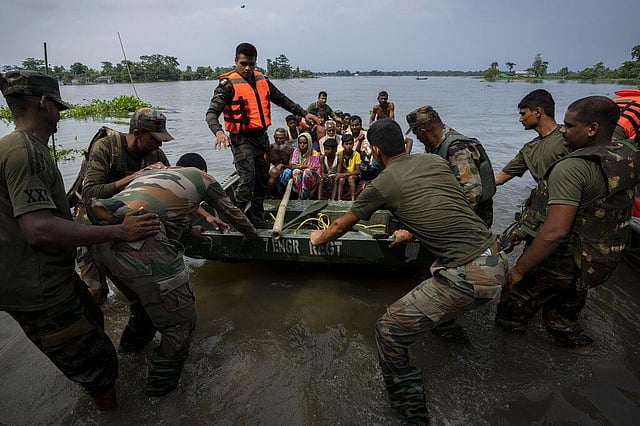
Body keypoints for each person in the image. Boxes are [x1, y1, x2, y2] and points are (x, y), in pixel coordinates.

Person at [309, 119, 507, 423]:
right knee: (436, 291)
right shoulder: (434, 161)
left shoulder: (382, 183)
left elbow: (339, 226)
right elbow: (444, 204)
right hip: (495, 256)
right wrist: (411, 232)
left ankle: (411, 413)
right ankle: (460, 347)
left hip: (467, 274)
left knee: (387, 330)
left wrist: (317, 239)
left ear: (376, 150)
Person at [0, 70, 161, 410]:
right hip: (37, 288)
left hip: (52, 273)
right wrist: (119, 231)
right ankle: (112, 413)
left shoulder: (26, 149)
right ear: (43, 103)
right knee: (100, 366)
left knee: (93, 318)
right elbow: (39, 229)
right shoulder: (25, 153)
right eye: (58, 107)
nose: (60, 115)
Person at [89, 153, 258, 397]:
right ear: (203, 169)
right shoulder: (202, 177)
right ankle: (158, 396)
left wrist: (189, 229)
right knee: (180, 325)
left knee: (143, 310)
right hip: (139, 245)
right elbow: (233, 213)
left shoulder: (156, 173)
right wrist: (251, 236)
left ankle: (126, 360)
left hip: (101, 241)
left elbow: (157, 208)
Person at [495, 96, 639, 347]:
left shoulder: (572, 168)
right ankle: (577, 350)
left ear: (592, 129)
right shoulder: (627, 153)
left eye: (570, 126)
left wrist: (519, 270)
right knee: (564, 317)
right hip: (595, 257)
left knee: (511, 310)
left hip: (561, 257)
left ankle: (512, 357)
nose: (563, 130)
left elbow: (555, 231)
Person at [205, 42, 318, 227]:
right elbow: (211, 113)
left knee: (262, 180)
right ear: (236, 61)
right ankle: (235, 221)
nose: (247, 68)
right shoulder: (227, 85)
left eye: (251, 64)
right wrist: (219, 132)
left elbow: (282, 100)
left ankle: (257, 218)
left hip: (261, 137)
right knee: (247, 180)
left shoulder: (262, 80)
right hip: (241, 139)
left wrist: (304, 113)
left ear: (255, 62)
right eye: (243, 64)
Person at [76, 107, 173, 303]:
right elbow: (89, 194)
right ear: (137, 133)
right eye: (154, 138)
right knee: (95, 292)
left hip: (128, 219)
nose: (159, 143)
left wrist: (202, 214)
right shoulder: (106, 147)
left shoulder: (156, 154)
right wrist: (136, 176)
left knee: (139, 286)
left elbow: (172, 189)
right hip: (92, 222)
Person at [406, 104, 496, 227]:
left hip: (471, 221)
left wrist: (446, 223)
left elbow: (472, 194)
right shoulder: (436, 145)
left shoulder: (456, 148)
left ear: (422, 132)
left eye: (416, 134)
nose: (417, 138)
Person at [494, 89, 570, 186]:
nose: (520, 119)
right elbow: (500, 178)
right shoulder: (528, 149)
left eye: (523, 114)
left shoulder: (569, 138)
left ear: (538, 112)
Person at [280, 132, 321, 200]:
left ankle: (302, 196)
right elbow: (293, 166)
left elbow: (315, 171)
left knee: (307, 172)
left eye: (304, 143)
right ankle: (301, 194)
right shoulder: (296, 151)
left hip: (311, 181)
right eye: (300, 143)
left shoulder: (315, 154)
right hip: (299, 181)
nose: (302, 145)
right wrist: (306, 166)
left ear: (309, 143)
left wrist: (302, 167)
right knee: (296, 171)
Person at [266, 127, 293, 198]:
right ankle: (267, 193)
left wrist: (282, 165)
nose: (278, 140)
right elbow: (265, 162)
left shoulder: (290, 150)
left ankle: (279, 193)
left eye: (281, 138)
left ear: (285, 138)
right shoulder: (270, 148)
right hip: (272, 170)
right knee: (274, 172)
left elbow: (292, 165)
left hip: (284, 171)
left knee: (288, 172)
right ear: (274, 137)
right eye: (277, 138)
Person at [335, 134, 361, 201]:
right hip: (343, 175)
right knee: (341, 180)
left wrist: (344, 174)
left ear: (353, 144)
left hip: (353, 175)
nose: (348, 146)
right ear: (342, 145)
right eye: (346, 144)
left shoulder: (356, 154)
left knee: (351, 178)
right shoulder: (339, 154)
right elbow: (338, 171)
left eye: (350, 144)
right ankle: (339, 199)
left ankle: (353, 199)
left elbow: (358, 171)